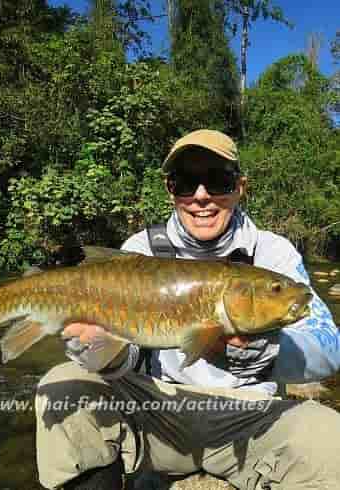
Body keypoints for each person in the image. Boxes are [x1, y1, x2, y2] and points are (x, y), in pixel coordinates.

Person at [35, 130, 340, 490]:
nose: (200, 196)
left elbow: (329, 350)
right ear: (170, 190)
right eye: (185, 183)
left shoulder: (274, 254)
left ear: (240, 186)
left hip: (250, 417)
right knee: (63, 385)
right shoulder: (140, 251)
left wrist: (264, 352)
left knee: (330, 443)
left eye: (217, 180)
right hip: (159, 410)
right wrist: (100, 352)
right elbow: (127, 355)